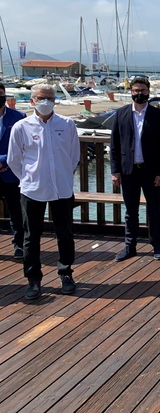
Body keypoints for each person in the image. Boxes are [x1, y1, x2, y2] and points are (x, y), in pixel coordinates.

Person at [8, 84, 80, 300]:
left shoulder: (67, 124)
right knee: (31, 236)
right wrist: (29, 179)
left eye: (50, 98)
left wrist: (64, 176)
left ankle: (66, 273)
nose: (46, 102)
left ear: (55, 101)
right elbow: (14, 159)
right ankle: (33, 279)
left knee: (65, 233)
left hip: (62, 189)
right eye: (41, 98)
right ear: (32, 101)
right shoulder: (21, 127)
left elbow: (74, 156)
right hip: (32, 190)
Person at [110, 76, 160, 262]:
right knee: (130, 211)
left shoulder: (157, 115)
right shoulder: (121, 114)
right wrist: (115, 171)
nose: (139, 93)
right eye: (136, 90)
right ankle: (130, 246)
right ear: (131, 92)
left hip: (150, 171)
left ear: (148, 92)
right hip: (128, 171)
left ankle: (157, 244)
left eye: (142, 90)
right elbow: (114, 145)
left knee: (154, 209)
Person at [0, 83, 27, 259]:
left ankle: (19, 245)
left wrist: (4, 161)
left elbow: (23, 146)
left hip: (12, 172)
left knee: (17, 212)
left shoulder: (19, 117)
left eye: (0, 94)